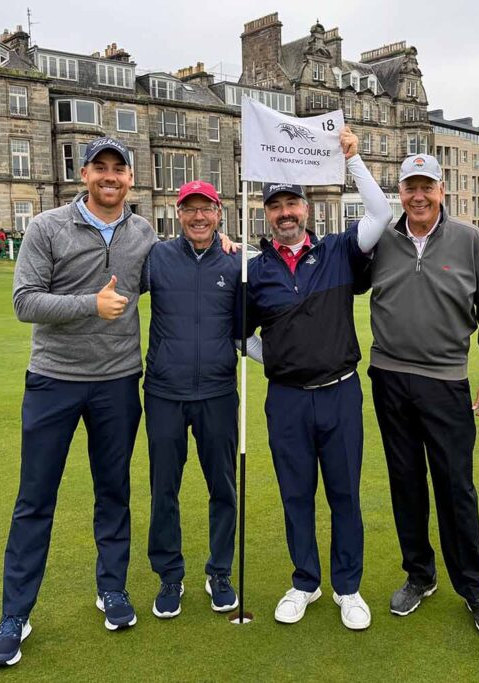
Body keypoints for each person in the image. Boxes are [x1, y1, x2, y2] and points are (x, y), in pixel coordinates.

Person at [0, 136, 157, 667]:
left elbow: (169, 273)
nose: (110, 177)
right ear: (83, 174)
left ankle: (112, 589)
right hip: (54, 381)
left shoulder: (144, 232)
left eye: (119, 169)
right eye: (100, 167)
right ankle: (15, 613)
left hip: (118, 383)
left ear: (130, 179)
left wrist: (216, 248)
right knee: (35, 500)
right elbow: (23, 301)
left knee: (114, 492)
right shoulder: (46, 227)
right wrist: (91, 304)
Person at [243, 128, 391, 631]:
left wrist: (354, 161)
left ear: (305, 209)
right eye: (277, 205)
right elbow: (239, 336)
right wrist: (278, 359)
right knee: (296, 494)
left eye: (293, 203)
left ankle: (347, 587)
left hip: (340, 395)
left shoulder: (336, 252)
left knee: (345, 493)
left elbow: (381, 215)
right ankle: (305, 581)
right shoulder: (255, 271)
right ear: (267, 213)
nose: (285, 212)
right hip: (286, 401)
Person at [366, 153, 479, 639]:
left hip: (447, 382)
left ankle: (474, 587)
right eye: (411, 187)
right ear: (400, 193)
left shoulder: (469, 241)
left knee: (455, 488)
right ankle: (419, 576)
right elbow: (327, 264)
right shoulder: (381, 239)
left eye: (427, 186)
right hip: (389, 378)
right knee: (405, 482)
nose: (419, 196)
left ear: (441, 190)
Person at [140, 180, 262, 620]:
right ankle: (170, 576)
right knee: (164, 490)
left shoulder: (234, 262)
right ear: (178, 213)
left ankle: (220, 572)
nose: (198, 217)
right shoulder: (157, 258)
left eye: (205, 209)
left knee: (223, 487)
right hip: (164, 393)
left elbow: (244, 331)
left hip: (217, 392)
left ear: (219, 213)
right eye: (189, 209)